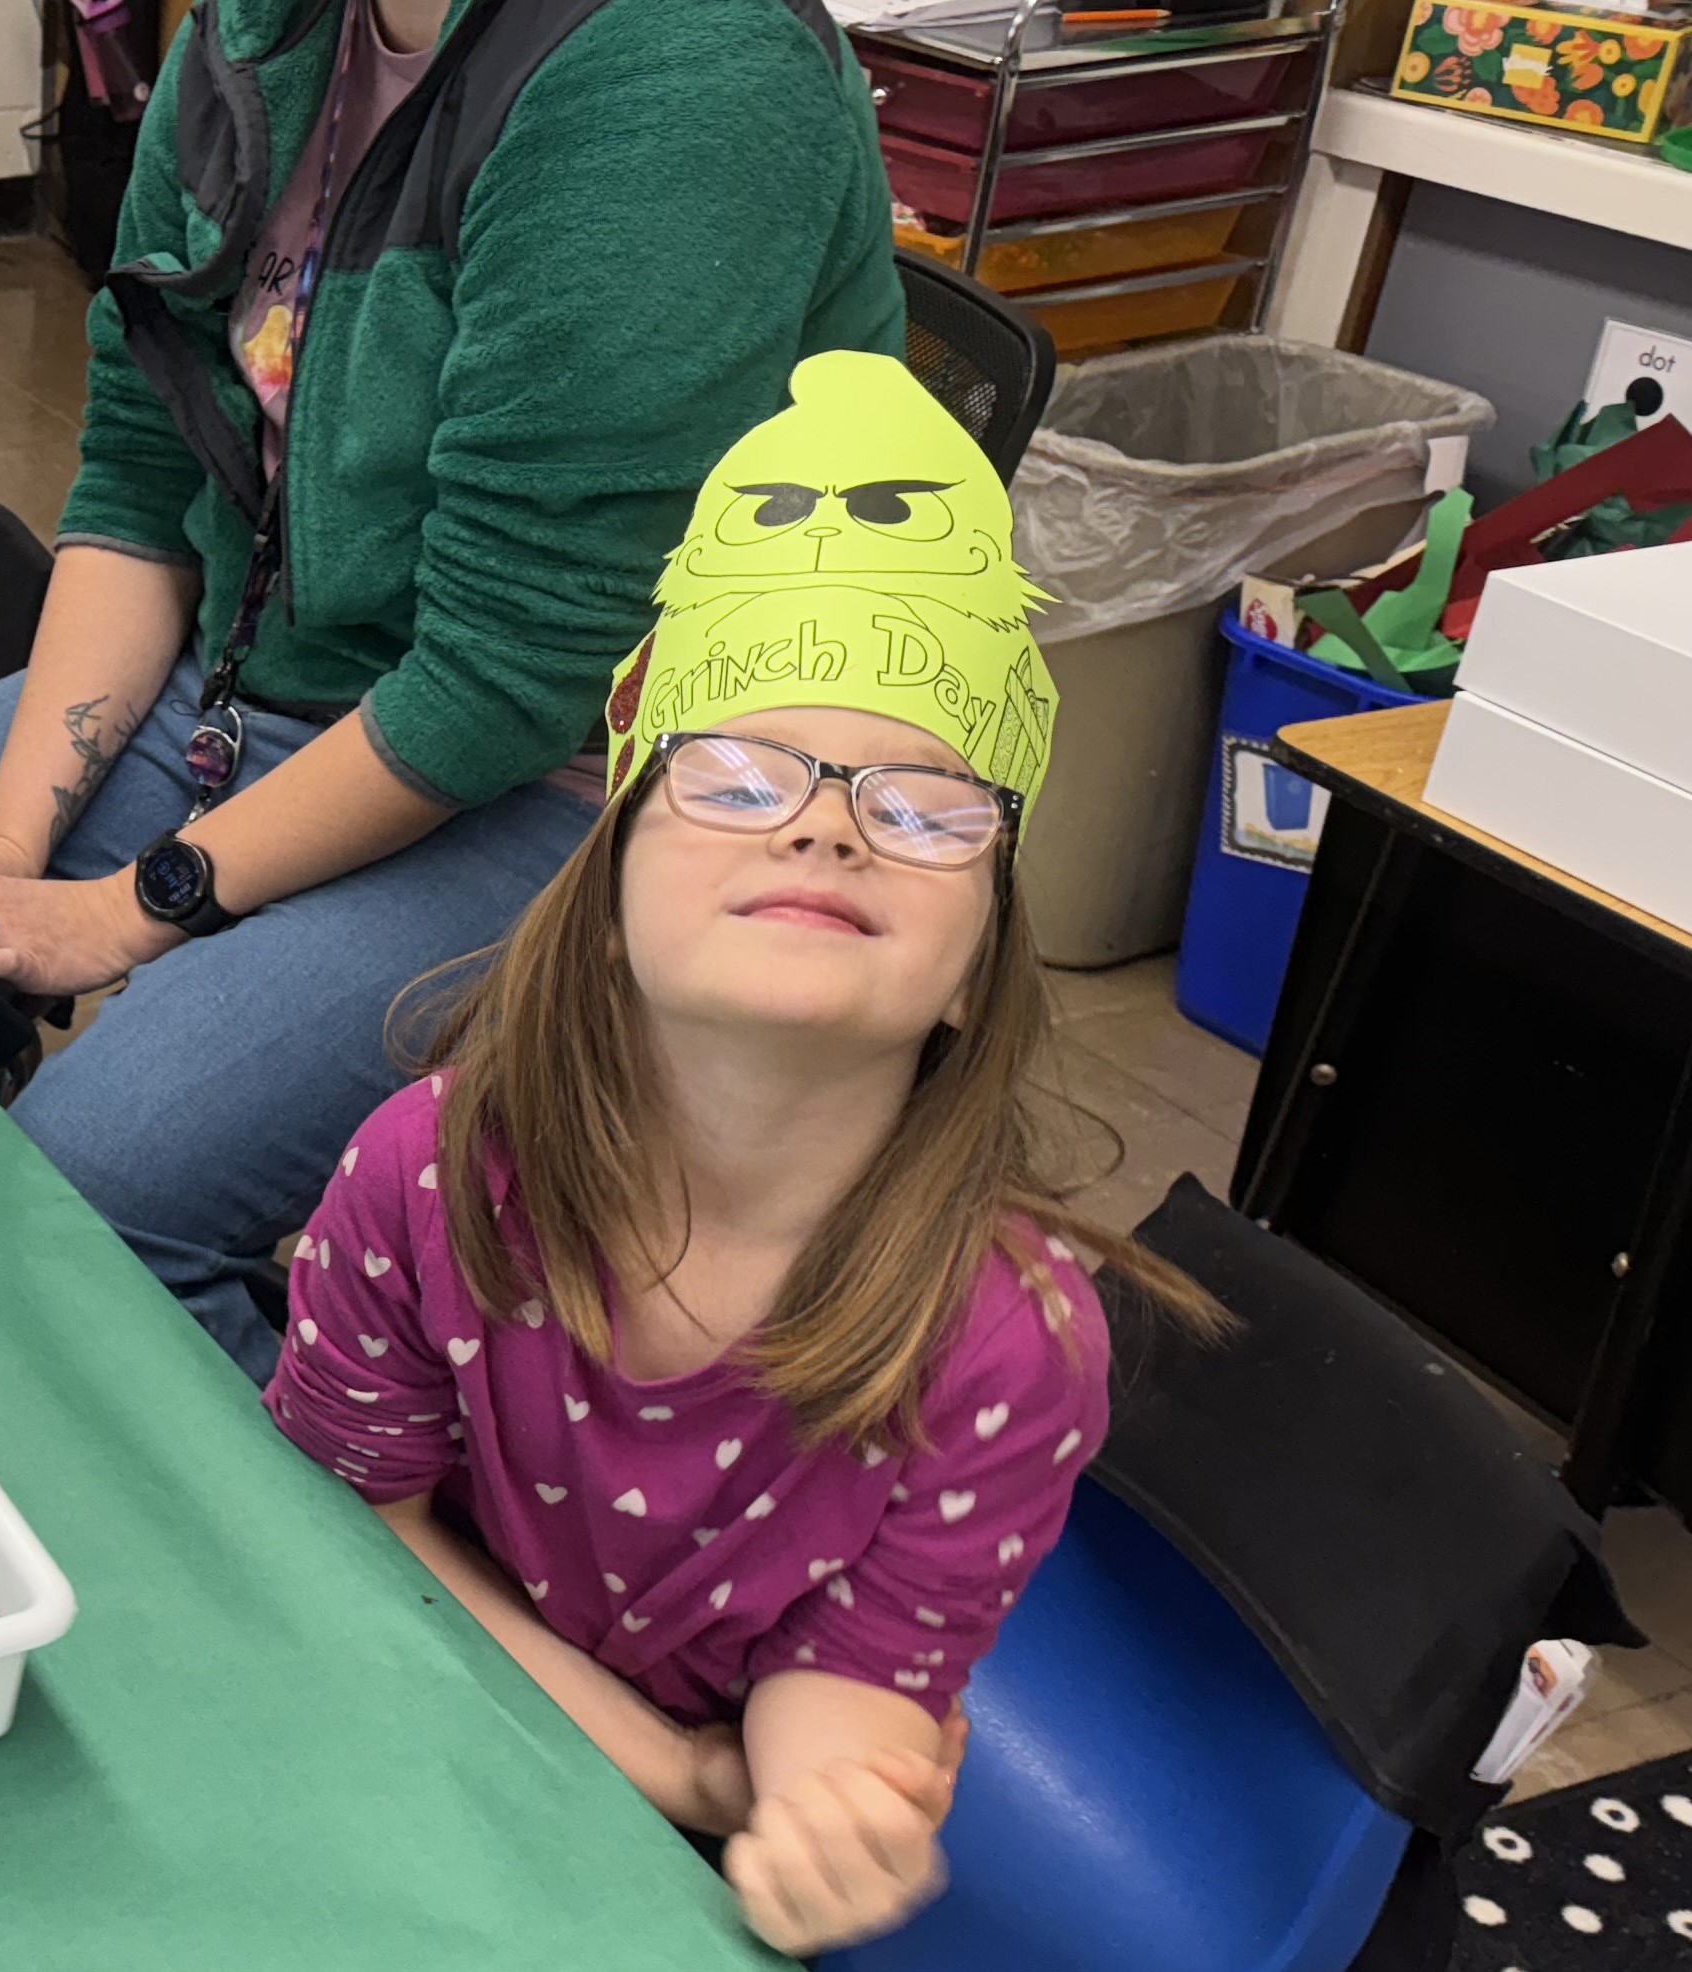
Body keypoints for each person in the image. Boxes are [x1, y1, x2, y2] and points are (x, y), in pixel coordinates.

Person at [0, 0, 902, 1376]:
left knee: (98, 1191)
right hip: (284, 682)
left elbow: (510, 671)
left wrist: (129, 907)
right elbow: (139, 474)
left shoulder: (684, 67)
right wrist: (7, 847)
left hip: (593, 784)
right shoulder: (261, 30)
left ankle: (314, 1551)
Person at [264, 354, 1229, 1955]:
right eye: (732, 776)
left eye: (925, 806)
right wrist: (673, 1767)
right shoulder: (428, 1172)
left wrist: (822, 1804)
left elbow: (848, 1690)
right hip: (425, 1692)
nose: (826, 824)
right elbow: (354, 1526)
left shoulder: (1013, 1340)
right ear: (609, 880)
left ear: (984, 959)